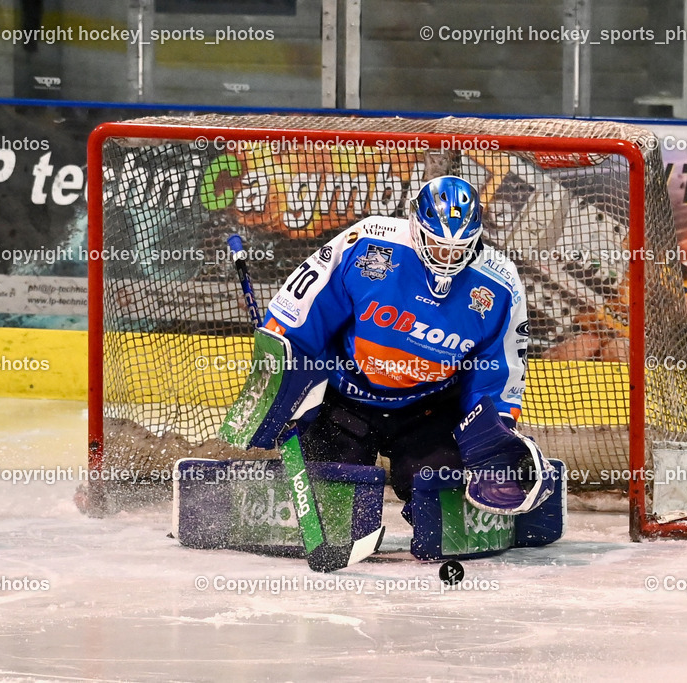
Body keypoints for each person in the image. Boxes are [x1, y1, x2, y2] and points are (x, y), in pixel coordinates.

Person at [235, 175, 553, 517]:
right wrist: (280, 384)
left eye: (459, 249)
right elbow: (302, 313)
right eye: (437, 244)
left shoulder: (499, 285)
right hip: (346, 403)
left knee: (441, 503)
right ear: (416, 225)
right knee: (333, 505)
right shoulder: (368, 242)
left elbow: (498, 370)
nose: (447, 257)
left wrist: (496, 430)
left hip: (428, 411)